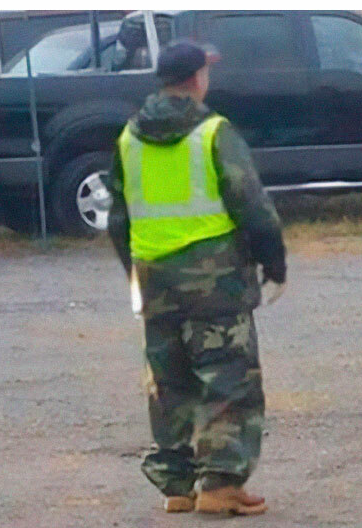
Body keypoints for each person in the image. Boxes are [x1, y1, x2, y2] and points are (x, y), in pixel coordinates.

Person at [107, 41, 286, 515]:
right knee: (228, 377)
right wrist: (275, 262)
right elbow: (252, 204)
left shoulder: (129, 137)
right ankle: (221, 482)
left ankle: (178, 485)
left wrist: (135, 272)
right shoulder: (213, 132)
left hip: (154, 278)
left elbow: (117, 218)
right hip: (215, 278)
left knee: (169, 380)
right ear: (196, 78)